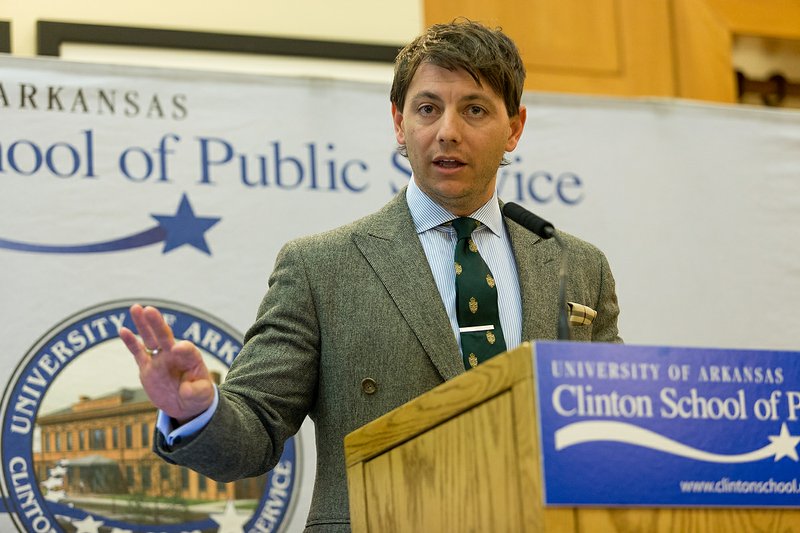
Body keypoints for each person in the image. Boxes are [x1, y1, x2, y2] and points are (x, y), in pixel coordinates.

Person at [120, 19, 622, 532]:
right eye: (428, 108)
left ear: (514, 127)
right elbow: (256, 431)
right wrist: (198, 411)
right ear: (398, 123)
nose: (448, 130)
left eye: (474, 109)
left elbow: (611, 428)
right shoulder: (321, 268)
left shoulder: (575, 266)